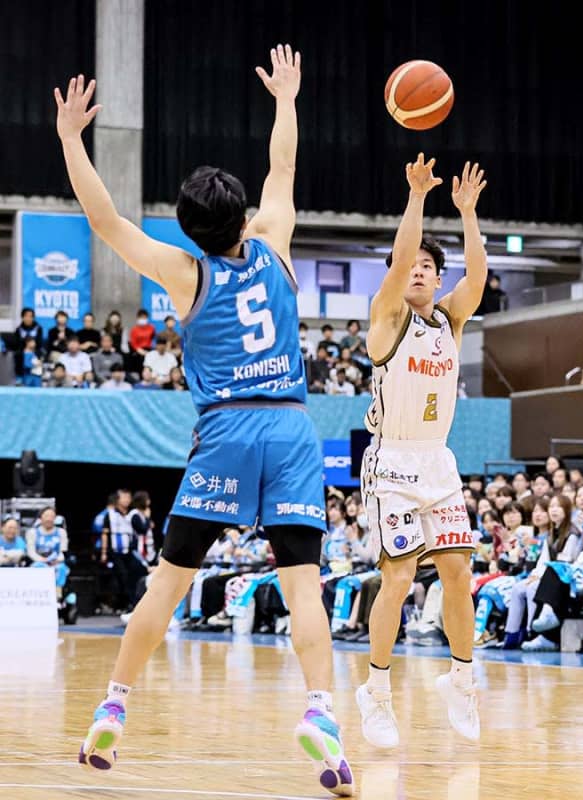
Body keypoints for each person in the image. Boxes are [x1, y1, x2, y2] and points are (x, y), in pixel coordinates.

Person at [55, 49, 353, 795]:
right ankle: (321, 712)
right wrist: (286, 99)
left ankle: (115, 706)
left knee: (167, 584)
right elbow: (282, 170)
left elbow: (105, 219)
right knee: (305, 585)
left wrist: (68, 139)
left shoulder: (186, 273)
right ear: (243, 214)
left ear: (190, 230)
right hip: (289, 429)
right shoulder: (277, 245)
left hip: (224, 432)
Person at [357, 154, 487, 748]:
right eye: (411, 265)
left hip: (438, 459)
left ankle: (461, 681)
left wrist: (467, 214)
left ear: (438, 279)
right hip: (392, 461)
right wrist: (415, 199)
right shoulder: (386, 320)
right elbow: (402, 256)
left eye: (430, 267)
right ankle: (376, 692)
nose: (419, 271)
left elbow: (477, 280)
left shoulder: (449, 322)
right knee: (400, 577)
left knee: (459, 573)